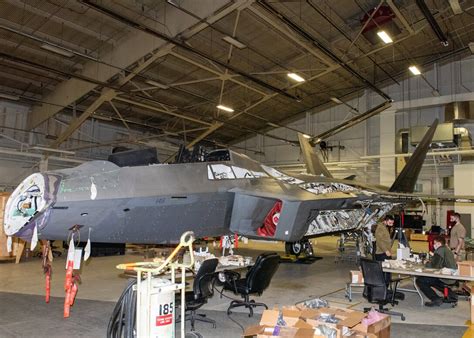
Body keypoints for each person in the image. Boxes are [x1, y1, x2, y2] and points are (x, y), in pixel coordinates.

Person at [416, 236, 457, 307]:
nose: (433, 245)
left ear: (439, 243)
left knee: (420, 280)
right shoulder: (446, 249)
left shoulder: (440, 250)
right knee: (432, 279)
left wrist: (425, 263)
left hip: (445, 278)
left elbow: (434, 267)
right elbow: (439, 263)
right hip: (451, 276)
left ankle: (436, 299)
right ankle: (452, 296)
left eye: (435, 243)